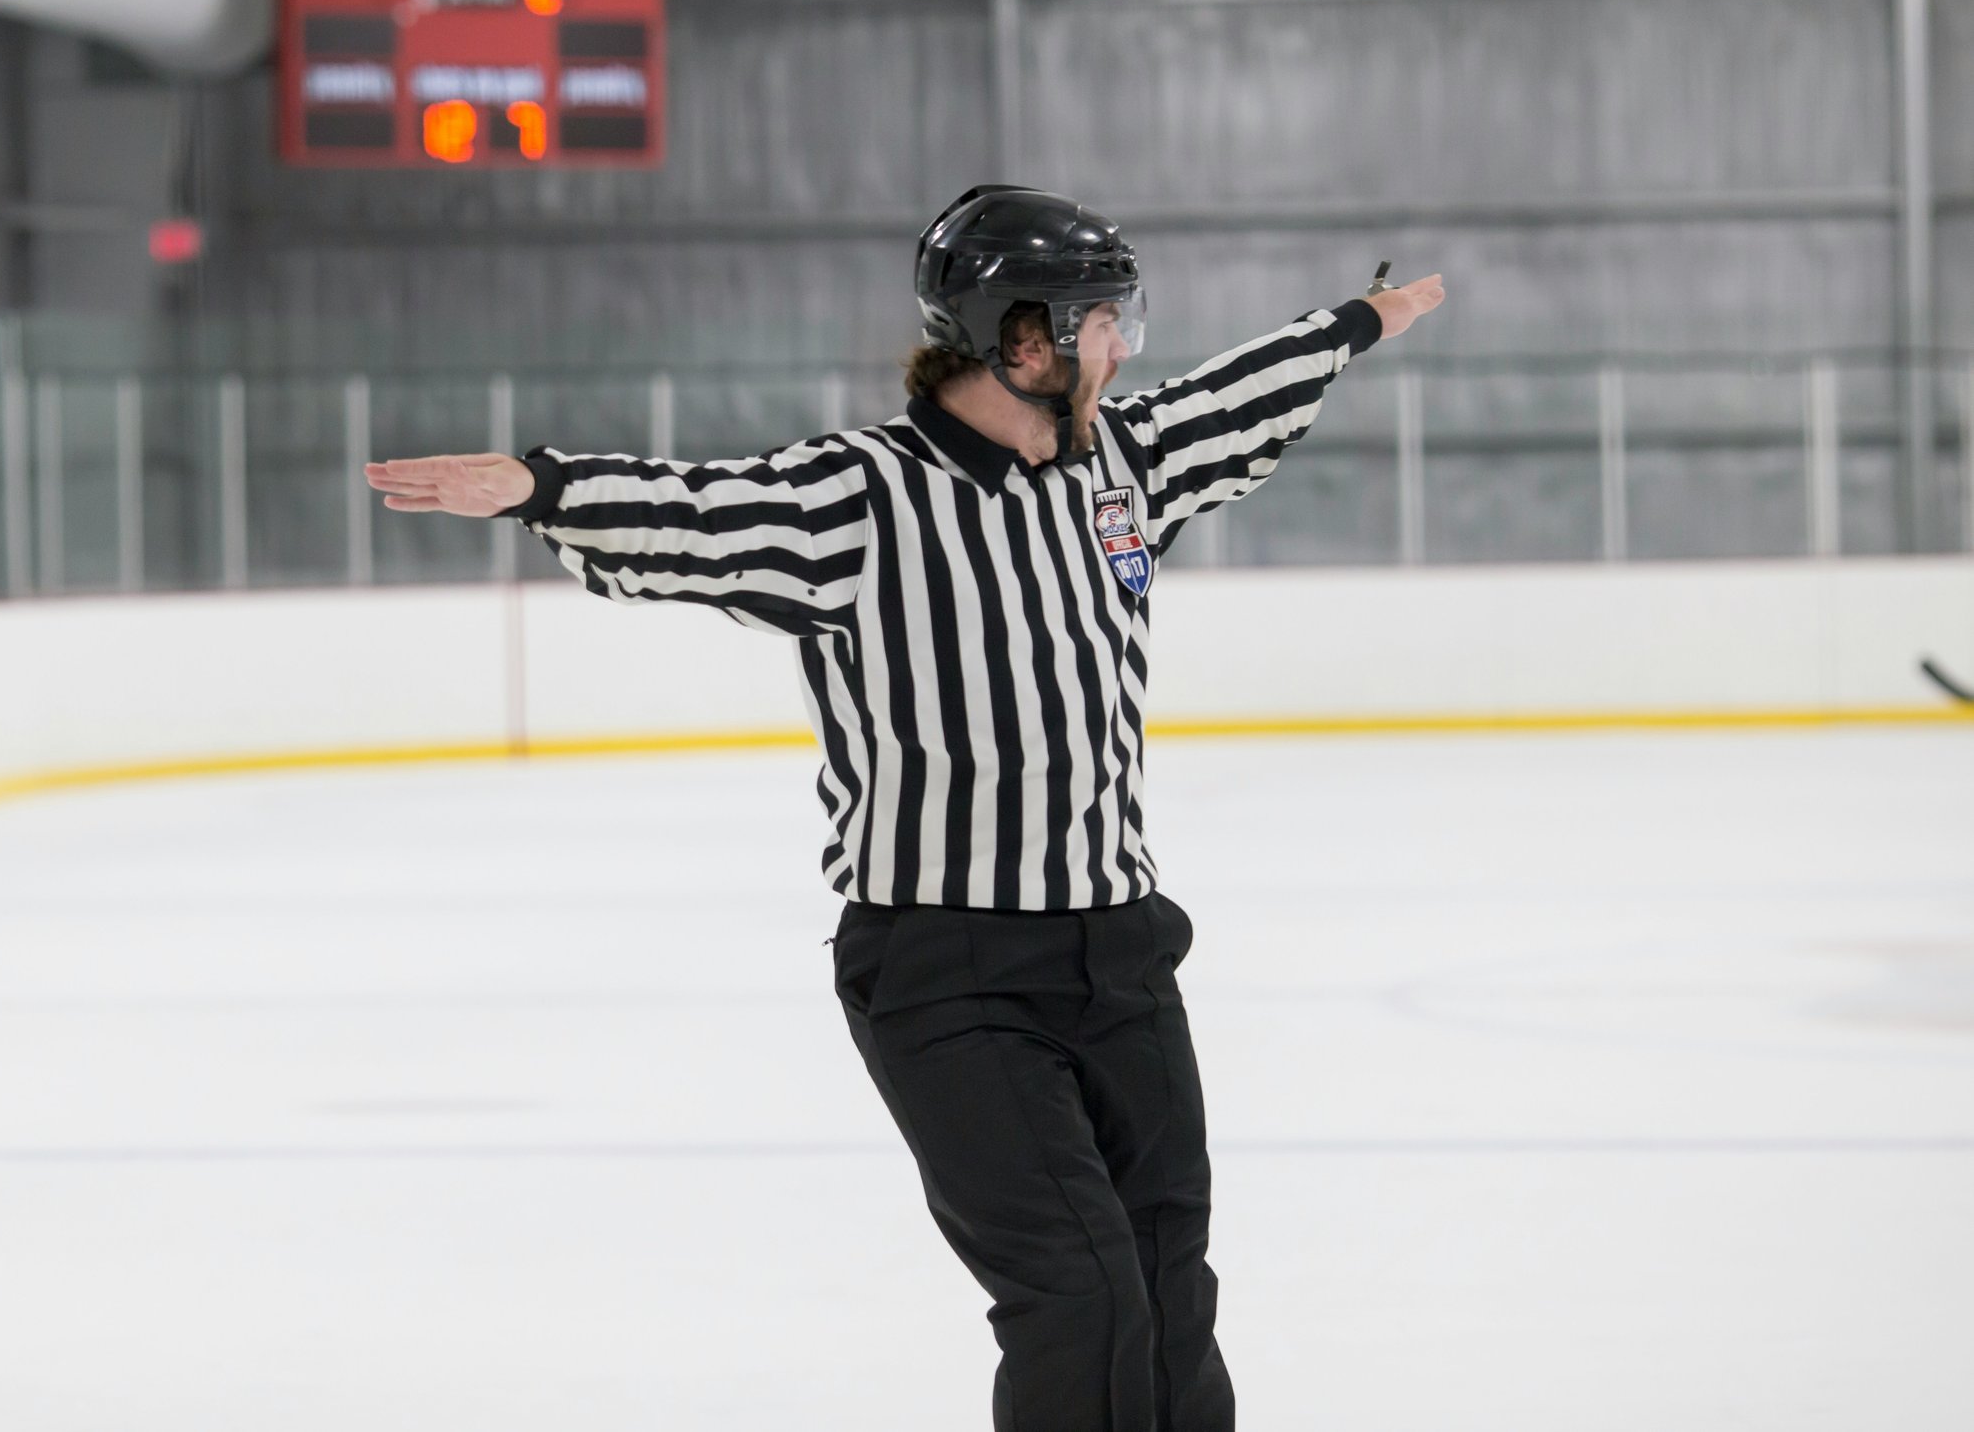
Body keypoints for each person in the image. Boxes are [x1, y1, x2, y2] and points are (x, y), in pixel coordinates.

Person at [365, 184, 1446, 1432]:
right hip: (951, 970)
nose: (1121, 349)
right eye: (1104, 323)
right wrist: (538, 485)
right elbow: (701, 515)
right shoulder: (860, 497)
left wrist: (1355, 322)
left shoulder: (1121, 466)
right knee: (1080, 1299)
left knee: (1165, 1284)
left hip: (1125, 947)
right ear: (1020, 338)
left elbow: (1236, 394)